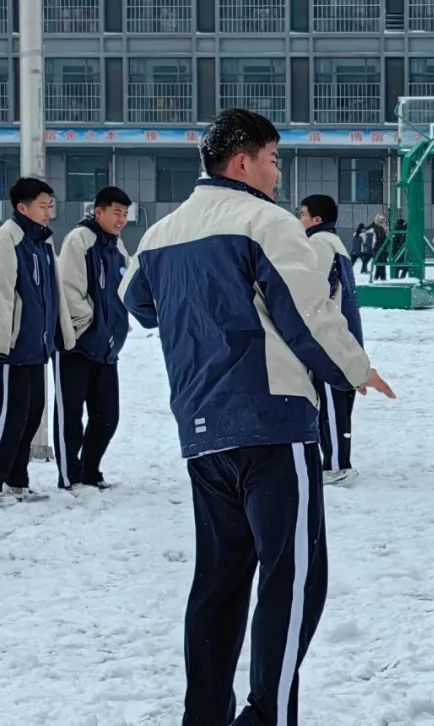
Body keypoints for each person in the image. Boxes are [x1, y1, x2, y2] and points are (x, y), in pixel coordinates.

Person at [118, 109, 395, 725]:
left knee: (218, 583)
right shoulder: (265, 222)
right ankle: (266, 715)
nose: (278, 173)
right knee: (294, 577)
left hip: (201, 428)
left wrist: (207, 319)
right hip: (272, 424)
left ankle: (206, 715)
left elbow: (135, 301)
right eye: (273, 159)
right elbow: (308, 313)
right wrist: (354, 369)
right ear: (241, 161)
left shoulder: (161, 233)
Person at [0, 178, 75, 503]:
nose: (48, 213)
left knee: (32, 414)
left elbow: (52, 294)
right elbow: (2, 296)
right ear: (22, 207)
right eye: (43, 206)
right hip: (13, 348)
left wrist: (59, 334)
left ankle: (17, 481)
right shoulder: (7, 240)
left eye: (50, 206)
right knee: (10, 418)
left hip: (37, 346)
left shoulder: (43, 243)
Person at [53, 186, 132, 492]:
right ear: (98, 212)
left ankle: (89, 470)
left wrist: (117, 329)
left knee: (107, 416)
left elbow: (124, 290)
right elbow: (70, 288)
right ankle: (69, 475)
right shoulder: (79, 240)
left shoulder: (117, 247)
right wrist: (86, 326)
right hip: (77, 345)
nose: (122, 219)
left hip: (106, 348)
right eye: (116, 212)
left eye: (125, 214)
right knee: (71, 416)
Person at [299, 194, 364, 487]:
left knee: (331, 404)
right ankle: (334, 460)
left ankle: (338, 466)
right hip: (346, 336)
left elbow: (317, 287)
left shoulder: (319, 243)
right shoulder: (336, 242)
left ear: (316, 219)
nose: (298, 220)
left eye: (302, 215)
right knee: (335, 403)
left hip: (332, 338)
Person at [370, 213, 389, 280]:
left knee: (379, 265)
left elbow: (378, 239)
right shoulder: (381, 228)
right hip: (381, 249)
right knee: (381, 265)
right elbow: (382, 239)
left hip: (378, 249)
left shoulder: (377, 228)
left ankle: (377, 277)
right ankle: (381, 278)